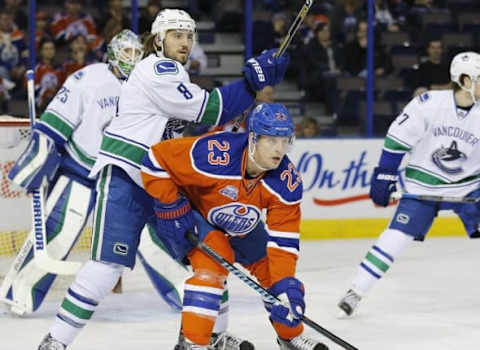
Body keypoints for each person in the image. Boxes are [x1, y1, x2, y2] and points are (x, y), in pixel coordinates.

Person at [37, 8, 289, 350]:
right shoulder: (156, 68)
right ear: (158, 40)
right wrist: (250, 82)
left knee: (213, 251)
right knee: (107, 266)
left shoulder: (176, 77)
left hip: (163, 181)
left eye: (189, 36)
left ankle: (212, 334)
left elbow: (197, 123)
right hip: (127, 173)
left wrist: (244, 96)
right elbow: (209, 110)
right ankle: (56, 340)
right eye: (177, 35)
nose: (185, 42)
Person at [141, 103, 328, 350]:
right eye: (272, 141)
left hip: (239, 222)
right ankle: (194, 343)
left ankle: (289, 336)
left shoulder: (286, 181)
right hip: (196, 214)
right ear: (253, 138)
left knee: (275, 275)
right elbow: (155, 158)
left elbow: (284, 242)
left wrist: (286, 286)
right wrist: (170, 204)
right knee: (213, 267)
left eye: (285, 141)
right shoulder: (214, 153)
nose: (280, 150)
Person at [0, 29, 144, 318]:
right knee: (59, 234)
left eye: (137, 53)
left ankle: (188, 291)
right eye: (128, 52)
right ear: (114, 52)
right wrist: (35, 162)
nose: (133, 59)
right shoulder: (88, 78)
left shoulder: (144, 86)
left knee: (152, 238)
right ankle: (22, 292)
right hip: (82, 170)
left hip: (122, 177)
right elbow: (56, 120)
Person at [338, 51, 480, 317]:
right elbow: (397, 138)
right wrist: (385, 173)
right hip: (422, 188)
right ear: (464, 79)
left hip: (469, 187)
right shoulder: (429, 104)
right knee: (394, 239)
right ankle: (356, 291)